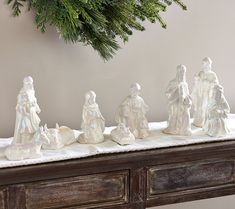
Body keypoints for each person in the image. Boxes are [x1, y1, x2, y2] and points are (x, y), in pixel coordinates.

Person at [163, 65, 192, 136]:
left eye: (183, 72)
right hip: (175, 102)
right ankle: (174, 129)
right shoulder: (173, 82)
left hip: (183, 103)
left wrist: (188, 101)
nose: (182, 73)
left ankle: (184, 129)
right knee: (175, 114)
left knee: (186, 114)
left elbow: (187, 94)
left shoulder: (185, 84)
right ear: (177, 72)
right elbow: (167, 92)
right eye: (180, 72)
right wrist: (174, 92)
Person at [13, 76, 41, 144]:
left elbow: (34, 101)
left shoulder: (32, 91)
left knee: (35, 127)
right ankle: (25, 143)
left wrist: (37, 108)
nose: (30, 84)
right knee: (26, 128)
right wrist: (24, 112)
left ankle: (33, 142)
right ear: (24, 84)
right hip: (25, 115)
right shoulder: (22, 94)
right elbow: (20, 105)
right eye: (28, 83)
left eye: (31, 83)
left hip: (32, 113)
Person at [192, 57, 219, 127]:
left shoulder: (213, 74)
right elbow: (197, 83)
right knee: (199, 106)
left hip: (207, 94)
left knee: (205, 107)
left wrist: (206, 82)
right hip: (200, 93)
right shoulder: (201, 73)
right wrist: (196, 80)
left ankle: (206, 122)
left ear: (209, 65)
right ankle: (199, 121)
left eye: (206, 64)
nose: (204, 66)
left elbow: (216, 84)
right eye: (203, 64)